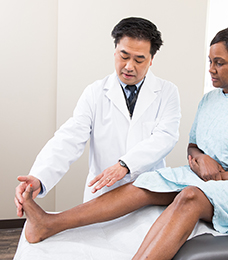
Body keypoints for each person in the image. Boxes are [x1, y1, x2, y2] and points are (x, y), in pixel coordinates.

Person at [20, 26, 228, 260]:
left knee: (190, 196)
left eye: (219, 63)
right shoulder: (210, 99)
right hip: (211, 179)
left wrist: (219, 177)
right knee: (146, 183)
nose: (211, 69)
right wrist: (200, 158)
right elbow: (192, 146)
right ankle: (49, 223)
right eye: (209, 61)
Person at [14, 17, 181, 217]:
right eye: (124, 56)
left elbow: (165, 137)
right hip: (103, 194)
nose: (129, 66)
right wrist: (39, 177)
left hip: (147, 193)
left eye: (139, 59)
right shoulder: (95, 92)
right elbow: (70, 138)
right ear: (115, 51)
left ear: (151, 59)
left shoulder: (167, 92)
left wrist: (125, 165)